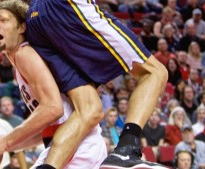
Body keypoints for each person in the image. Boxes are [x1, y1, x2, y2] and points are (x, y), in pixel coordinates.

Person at [26, 0, 168, 168]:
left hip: (35, 15)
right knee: (154, 72)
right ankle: (127, 149)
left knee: (86, 108)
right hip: (68, 7)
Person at [0, 1, 107, 169]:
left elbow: (53, 108)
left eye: (4, 20)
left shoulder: (24, 53)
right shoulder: (20, 62)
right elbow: (46, 129)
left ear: (21, 28)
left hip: (80, 145)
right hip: (69, 144)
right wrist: (3, 147)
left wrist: (5, 142)